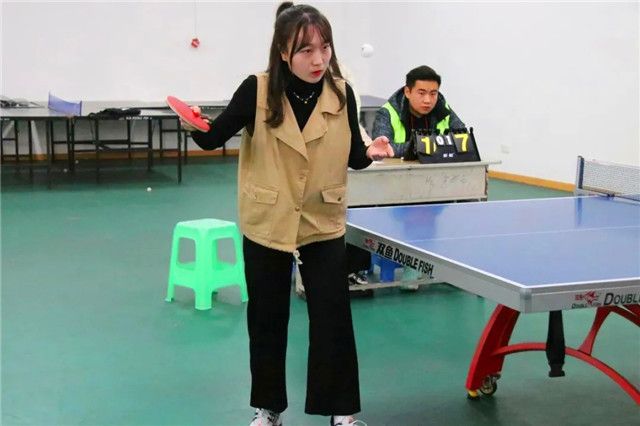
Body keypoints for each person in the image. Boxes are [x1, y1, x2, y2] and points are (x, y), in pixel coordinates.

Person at [180, 3, 393, 425]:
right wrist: (194, 122)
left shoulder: (342, 93)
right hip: (269, 217)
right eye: (306, 50)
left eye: (325, 48)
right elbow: (213, 138)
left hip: (322, 217)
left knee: (333, 316)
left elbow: (353, 155)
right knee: (267, 318)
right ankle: (269, 408)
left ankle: (342, 412)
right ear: (283, 52)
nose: (319, 60)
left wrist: (371, 152)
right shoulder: (257, 90)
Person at [372, 65, 465, 158]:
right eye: (421, 93)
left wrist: (422, 146)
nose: (427, 100)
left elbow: (464, 141)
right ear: (407, 92)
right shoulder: (387, 112)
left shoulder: (443, 109)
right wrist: (430, 145)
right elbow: (382, 148)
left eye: (433, 94)